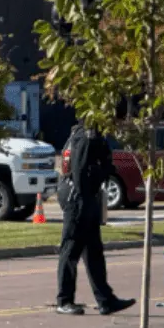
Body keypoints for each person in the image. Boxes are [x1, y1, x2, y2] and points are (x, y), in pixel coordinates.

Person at [57, 120, 137, 316]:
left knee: (94, 252)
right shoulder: (86, 136)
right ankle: (64, 300)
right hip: (78, 198)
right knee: (71, 248)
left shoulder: (90, 135)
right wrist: (103, 172)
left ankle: (106, 300)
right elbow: (80, 172)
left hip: (86, 197)